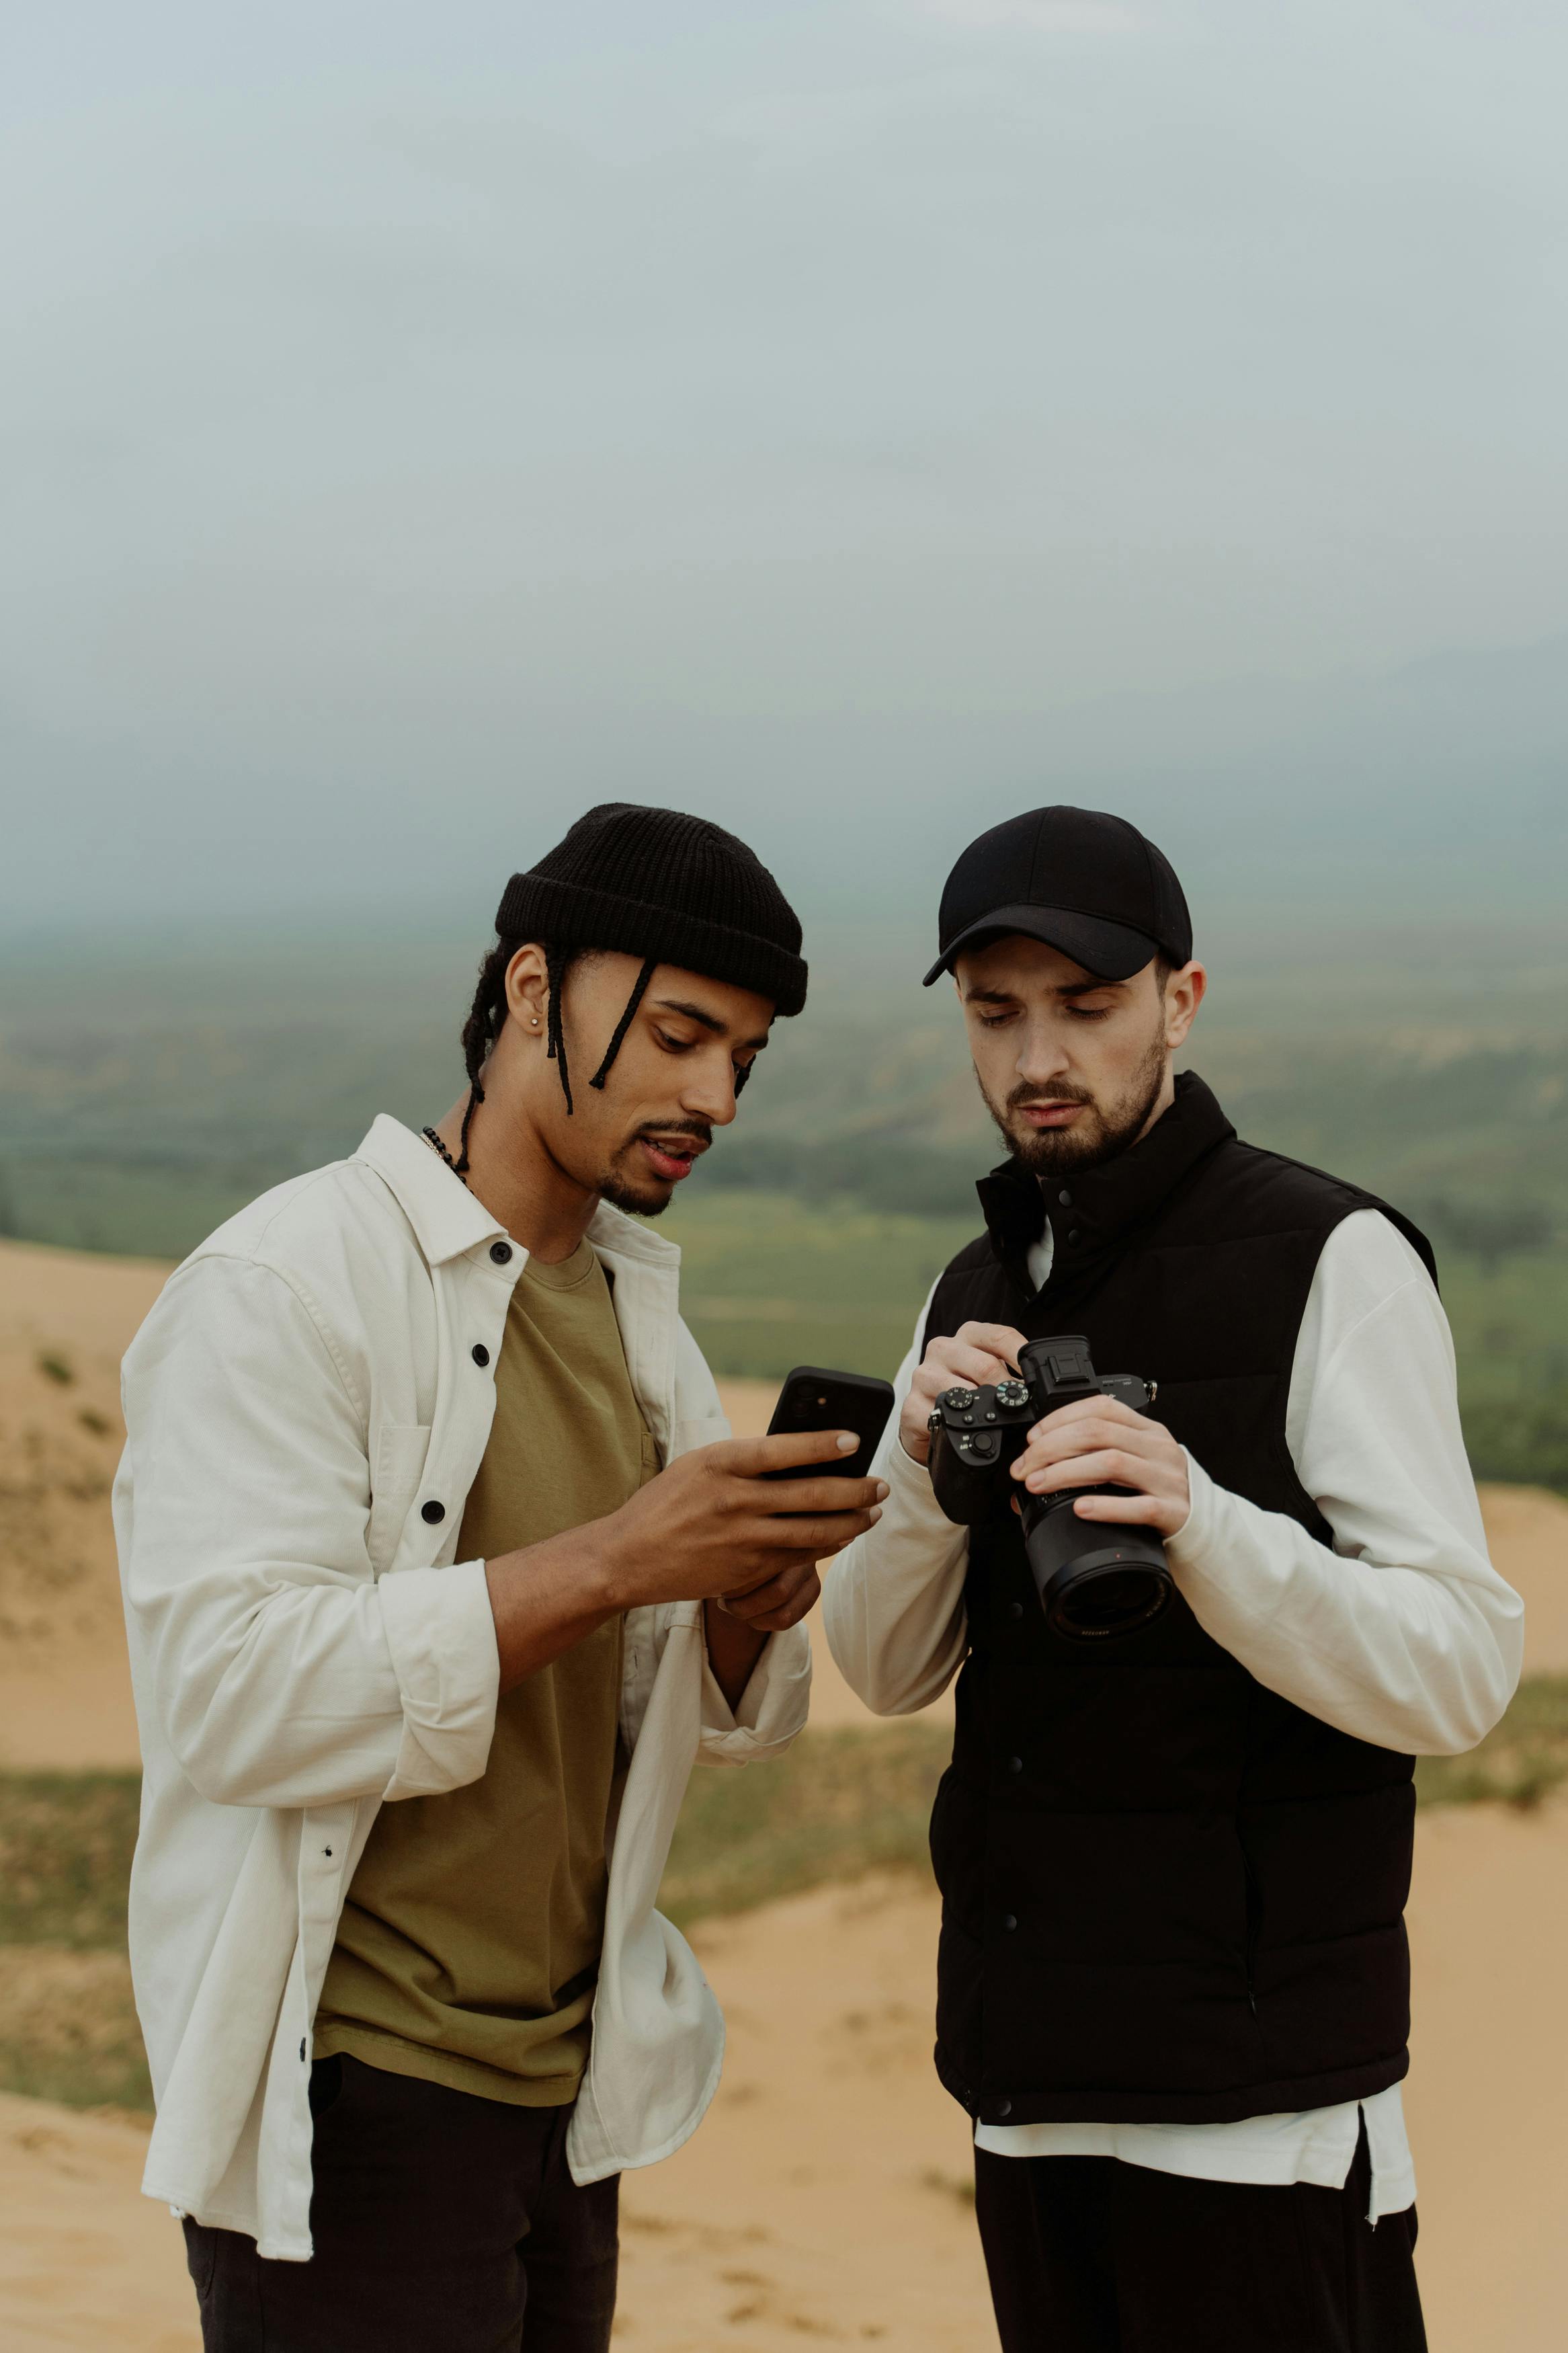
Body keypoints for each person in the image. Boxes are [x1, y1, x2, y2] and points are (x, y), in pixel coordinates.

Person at [116, 802, 888, 2352]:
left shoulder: (638, 1324)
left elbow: (714, 1720)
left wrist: (737, 1609)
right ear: (533, 990)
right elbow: (232, 1695)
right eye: (677, 1033)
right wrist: (613, 1559)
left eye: (744, 1057)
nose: (713, 1095)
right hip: (354, 2101)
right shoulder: (289, 1285)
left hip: (568, 2105)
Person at [823, 805, 1522, 2353]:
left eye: (1086, 1004)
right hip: (1029, 2094)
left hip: (1257, 2121)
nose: (1037, 1057)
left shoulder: (1330, 1258)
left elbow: (1464, 1666)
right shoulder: (974, 1287)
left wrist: (1204, 1524)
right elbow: (878, 1672)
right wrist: (925, 1480)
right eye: (995, 1015)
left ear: (1180, 1002)